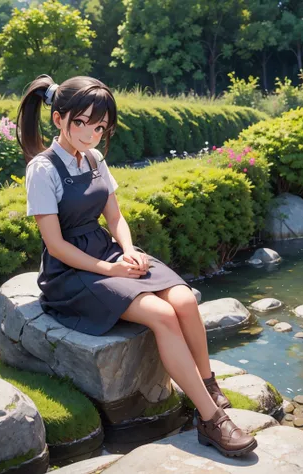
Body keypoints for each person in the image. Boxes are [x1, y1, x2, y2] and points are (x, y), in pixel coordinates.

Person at [17, 74, 257, 457]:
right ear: (58, 118)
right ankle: (211, 421)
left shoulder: (94, 158)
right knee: (162, 314)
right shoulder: (43, 170)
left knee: (184, 300)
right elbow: (56, 245)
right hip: (71, 273)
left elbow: (115, 218)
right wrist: (111, 270)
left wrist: (127, 250)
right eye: (82, 123)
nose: (91, 135)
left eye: (99, 127)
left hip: (106, 251)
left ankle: (208, 385)